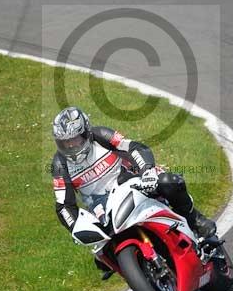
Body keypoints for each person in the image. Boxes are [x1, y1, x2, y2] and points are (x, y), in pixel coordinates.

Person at [51, 106, 217, 278]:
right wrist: (75, 227)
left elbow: (134, 147)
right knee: (101, 256)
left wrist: (147, 171)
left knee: (168, 182)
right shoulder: (59, 164)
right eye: (65, 143)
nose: (71, 146)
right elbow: (63, 204)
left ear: (86, 133)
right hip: (101, 207)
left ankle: (195, 219)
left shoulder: (100, 135)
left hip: (131, 180)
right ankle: (135, 268)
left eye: (75, 140)